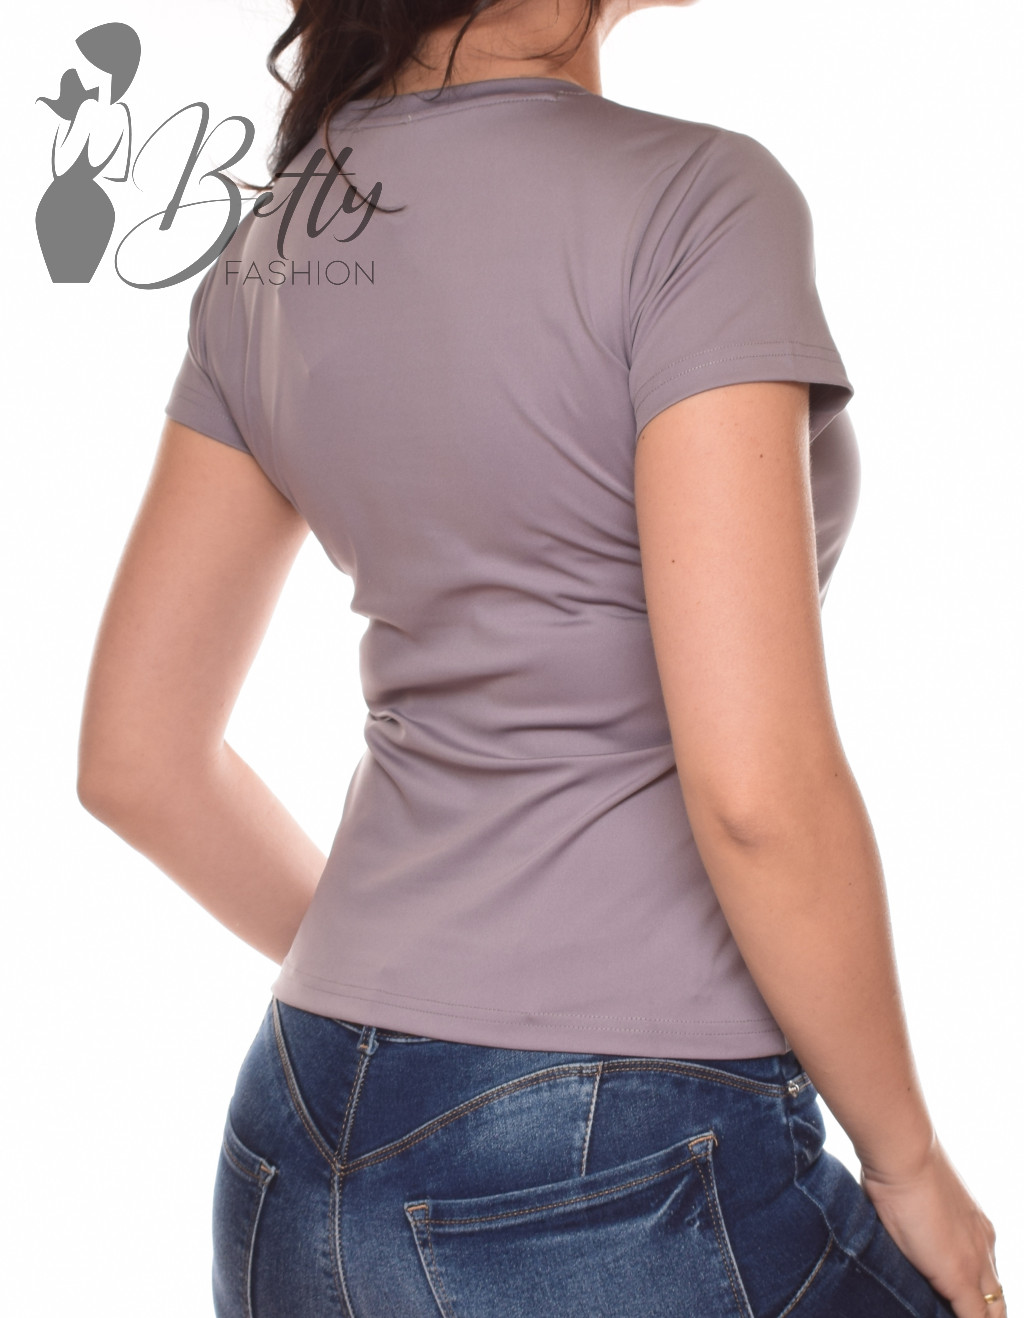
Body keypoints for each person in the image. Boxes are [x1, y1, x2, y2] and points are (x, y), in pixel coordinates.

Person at [76, 1, 1004, 1315]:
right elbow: (757, 796)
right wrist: (910, 1165)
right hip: (617, 1161)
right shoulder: (699, 200)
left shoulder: (278, 246)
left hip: (293, 1138)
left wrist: (422, 995)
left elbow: (136, 760)